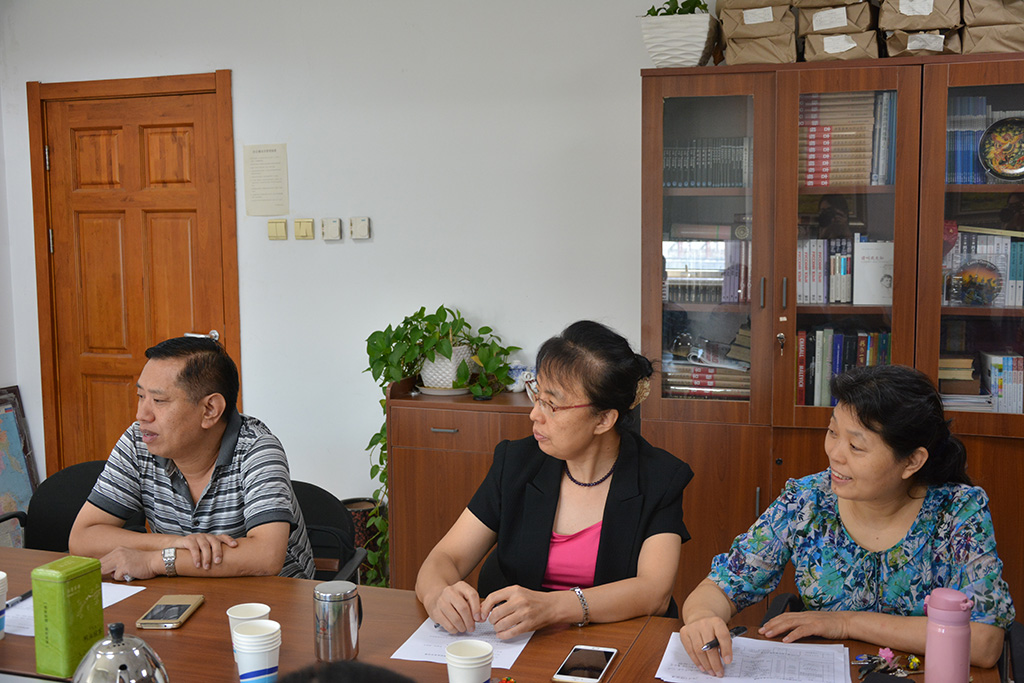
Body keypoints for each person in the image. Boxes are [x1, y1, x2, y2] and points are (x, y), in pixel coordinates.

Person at [678, 364, 1014, 676]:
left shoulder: (958, 512)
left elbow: (984, 642)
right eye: (832, 432)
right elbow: (723, 584)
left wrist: (845, 623)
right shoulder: (807, 501)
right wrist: (702, 618)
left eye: (856, 446)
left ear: (912, 461)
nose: (834, 453)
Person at [416, 320, 693, 640]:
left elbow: (654, 592)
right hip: (517, 646)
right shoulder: (517, 463)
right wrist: (437, 594)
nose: (535, 414)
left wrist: (553, 607)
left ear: (604, 419)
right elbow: (445, 557)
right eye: (537, 395)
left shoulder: (659, 478)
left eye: (552, 404)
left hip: (615, 645)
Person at [69, 337, 315, 581]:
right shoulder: (138, 442)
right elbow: (82, 538)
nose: (141, 415)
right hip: (187, 590)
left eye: (159, 400)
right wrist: (174, 543)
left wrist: (154, 561)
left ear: (210, 410)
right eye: (141, 396)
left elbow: (265, 555)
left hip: (270, 598)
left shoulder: (257, 448)